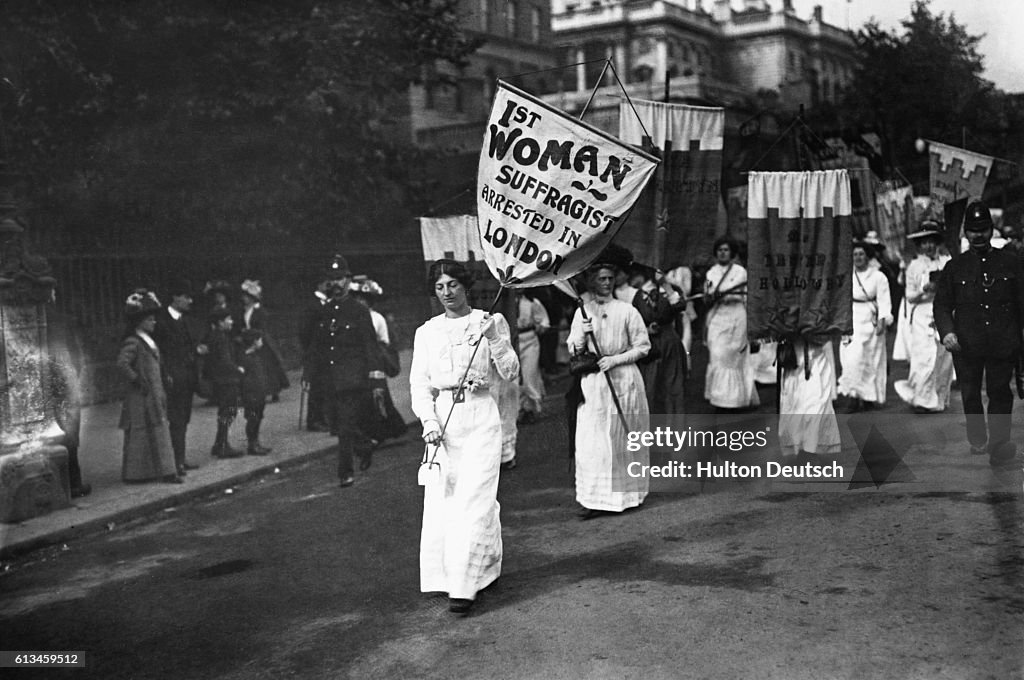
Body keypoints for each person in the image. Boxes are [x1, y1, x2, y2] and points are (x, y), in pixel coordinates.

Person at [410, 259, 519, 614]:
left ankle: (464, 586)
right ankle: (477, 568)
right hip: (444, 423)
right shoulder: (426, 332)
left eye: (453, 285)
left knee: (476, 499)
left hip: (481, 418)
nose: (446, 293)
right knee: (447, 502)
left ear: (465, 286)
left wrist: (493, 338)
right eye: (440, 287)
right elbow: (419, 385)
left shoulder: (489, 322)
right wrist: (429, 422)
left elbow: (511, 371)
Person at [934, 201, 1024, 469]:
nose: (978, 235)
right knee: (971, 393)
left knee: (999, 392)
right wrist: (947, 331)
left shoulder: (1011, 263)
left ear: (991, 229)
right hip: (967, 343)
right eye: (973, 231)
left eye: (983, 229)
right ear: (965, 232)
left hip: (1002, 340)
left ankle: (999, 445)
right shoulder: (955, 267)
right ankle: (977, 437)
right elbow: (941, 304)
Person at [567, 261, 651, 520]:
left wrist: (616, 360)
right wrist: (583, 331)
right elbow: (574, 349)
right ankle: (594, 499)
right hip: (594, 383)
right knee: (593, 441)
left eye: (610, 278)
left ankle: (627, 495)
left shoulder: (627, 310)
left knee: (620, 437)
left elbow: (643, 346)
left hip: (623, 379)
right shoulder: (582, 311)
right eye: (601, 278)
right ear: (591, 282)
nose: (606, 283)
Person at [309, 253, 380, 486]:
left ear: (348, 280)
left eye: (340, 278)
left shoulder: (358, 311)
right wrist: (309, 374)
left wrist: (374, 374)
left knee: (345, 425)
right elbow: (317, 345)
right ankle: (365, 445)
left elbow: (370, 344)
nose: (336, 284)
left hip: (352, 378)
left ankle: (345, 472)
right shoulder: (325, 310)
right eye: (332, 279)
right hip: (330, 378)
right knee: (336, 424)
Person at [116, 289, 182, 484]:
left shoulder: (149, 341)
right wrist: (136, 379)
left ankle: (163, 471)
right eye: (150, 320)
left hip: (154, 392)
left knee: (157, 430)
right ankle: (140, 474)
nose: (154, 322)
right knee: (140, 433)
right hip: (141, 395)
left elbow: (157, 363)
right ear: (140, 322)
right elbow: (122, 364)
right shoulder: (134, 341)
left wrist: (165, 375)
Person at [894, 220, 953, 413]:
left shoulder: (946, 262)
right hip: (922, 312)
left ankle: (939, 398)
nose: (928, 246)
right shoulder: (914, 266)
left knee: (943, 356)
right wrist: (924, 290)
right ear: (920, 245)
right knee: (924, 356)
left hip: (943, 311)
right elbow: (910, 296)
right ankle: (921, 398)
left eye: (931, 241)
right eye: (924, 242)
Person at [152, 278, 208, 476]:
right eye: (186, 297)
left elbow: (187, 346)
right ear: (175, 298)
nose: (189, 301)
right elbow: (160, 352)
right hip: (172, 378)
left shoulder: (186, 321)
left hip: (187, 378)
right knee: (175, 420)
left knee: (183, 419)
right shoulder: (161, 322)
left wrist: (197, 350)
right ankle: (175, 462)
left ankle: (181, 458)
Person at [703, 236, 759, 409]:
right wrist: (711, 296)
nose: (722, 253)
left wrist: (722, 293)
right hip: (718, 316)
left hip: (736, 316)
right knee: (717, 354)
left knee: (733, 356)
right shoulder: (710, 272)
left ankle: (734, 398)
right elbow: (707, 294)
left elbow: (739, 293)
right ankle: (718, 395)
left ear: (732, 252)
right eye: (720, 250)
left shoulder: (740, 272)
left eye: (726, 250)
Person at [838, 241, 893, 410]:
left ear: (868, 256)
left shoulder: (878, 276)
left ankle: (868, 396)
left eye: (861, 254)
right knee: (852, 359)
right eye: (855, 254)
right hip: (852, 318)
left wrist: (883, 321)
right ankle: (853, 397)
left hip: (871, 318)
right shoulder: (846, 276)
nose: (858, 258)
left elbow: (884, 300)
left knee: (871, 360)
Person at [352, 277, 407, 444]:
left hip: (375, 360)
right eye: (357, 299)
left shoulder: (377, 319)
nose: (360, 302)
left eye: (363, 299)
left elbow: (385, 341)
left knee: (378, 395)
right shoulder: (351, 318)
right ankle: (366, 433)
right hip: (357, 362)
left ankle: (382, 432)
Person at [627, 263, 686, 414]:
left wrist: (665, 285)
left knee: (672, 386)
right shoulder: (639, 296)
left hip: (669, 342)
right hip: (650, 344)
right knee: (651, 385)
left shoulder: (670, 290)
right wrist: (646, 330)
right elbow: (634, 322)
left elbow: (680, 306)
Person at [237, 279, 290, 402]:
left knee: (267, 365)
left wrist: (254, 336)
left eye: (246, 296)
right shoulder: (244, 310)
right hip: (247, 339)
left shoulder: (259, 310)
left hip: (259, 338)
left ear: (252, 298)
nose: (244, 299)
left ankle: (273, 389)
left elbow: (261, 327)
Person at [205, 305, 245, 459]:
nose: (231, 322)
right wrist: (238, 369)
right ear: (220, 322)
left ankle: (219, 443)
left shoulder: (216, 335)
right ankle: (222, 445)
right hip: (226, 380)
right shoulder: (220, 338)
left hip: (220, 379)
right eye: (228, 319)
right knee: (228, 411)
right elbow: (225, 360)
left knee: (226, 411)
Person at [299, 275, 331, 432]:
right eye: (326, 283)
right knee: (317, 385)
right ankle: (314, 420)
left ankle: (324, 417)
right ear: (320, 285)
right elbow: (305, 330)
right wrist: (310, 347)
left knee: (325, 385)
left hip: (325, 350)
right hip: (316, 350)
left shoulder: (327, 302)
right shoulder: (313, 305)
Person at [515, 290, 550, 422]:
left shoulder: (531, 302)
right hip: (511, 341)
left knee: (529, 374)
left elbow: (544, 320)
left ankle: (533, 408)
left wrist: (541, 327)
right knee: (514, 377)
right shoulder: (506, 303)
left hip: (529, 340)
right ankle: (520, 409)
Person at [238, 329, 272, 456]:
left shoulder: (255, 356)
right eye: (259, 339)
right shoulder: (246, 358)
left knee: (258, 417)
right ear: (254, 342)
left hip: (259, 392)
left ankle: (256, 442)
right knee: (253, 418)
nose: (261, 342)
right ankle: (252, 444)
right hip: (251, 393)